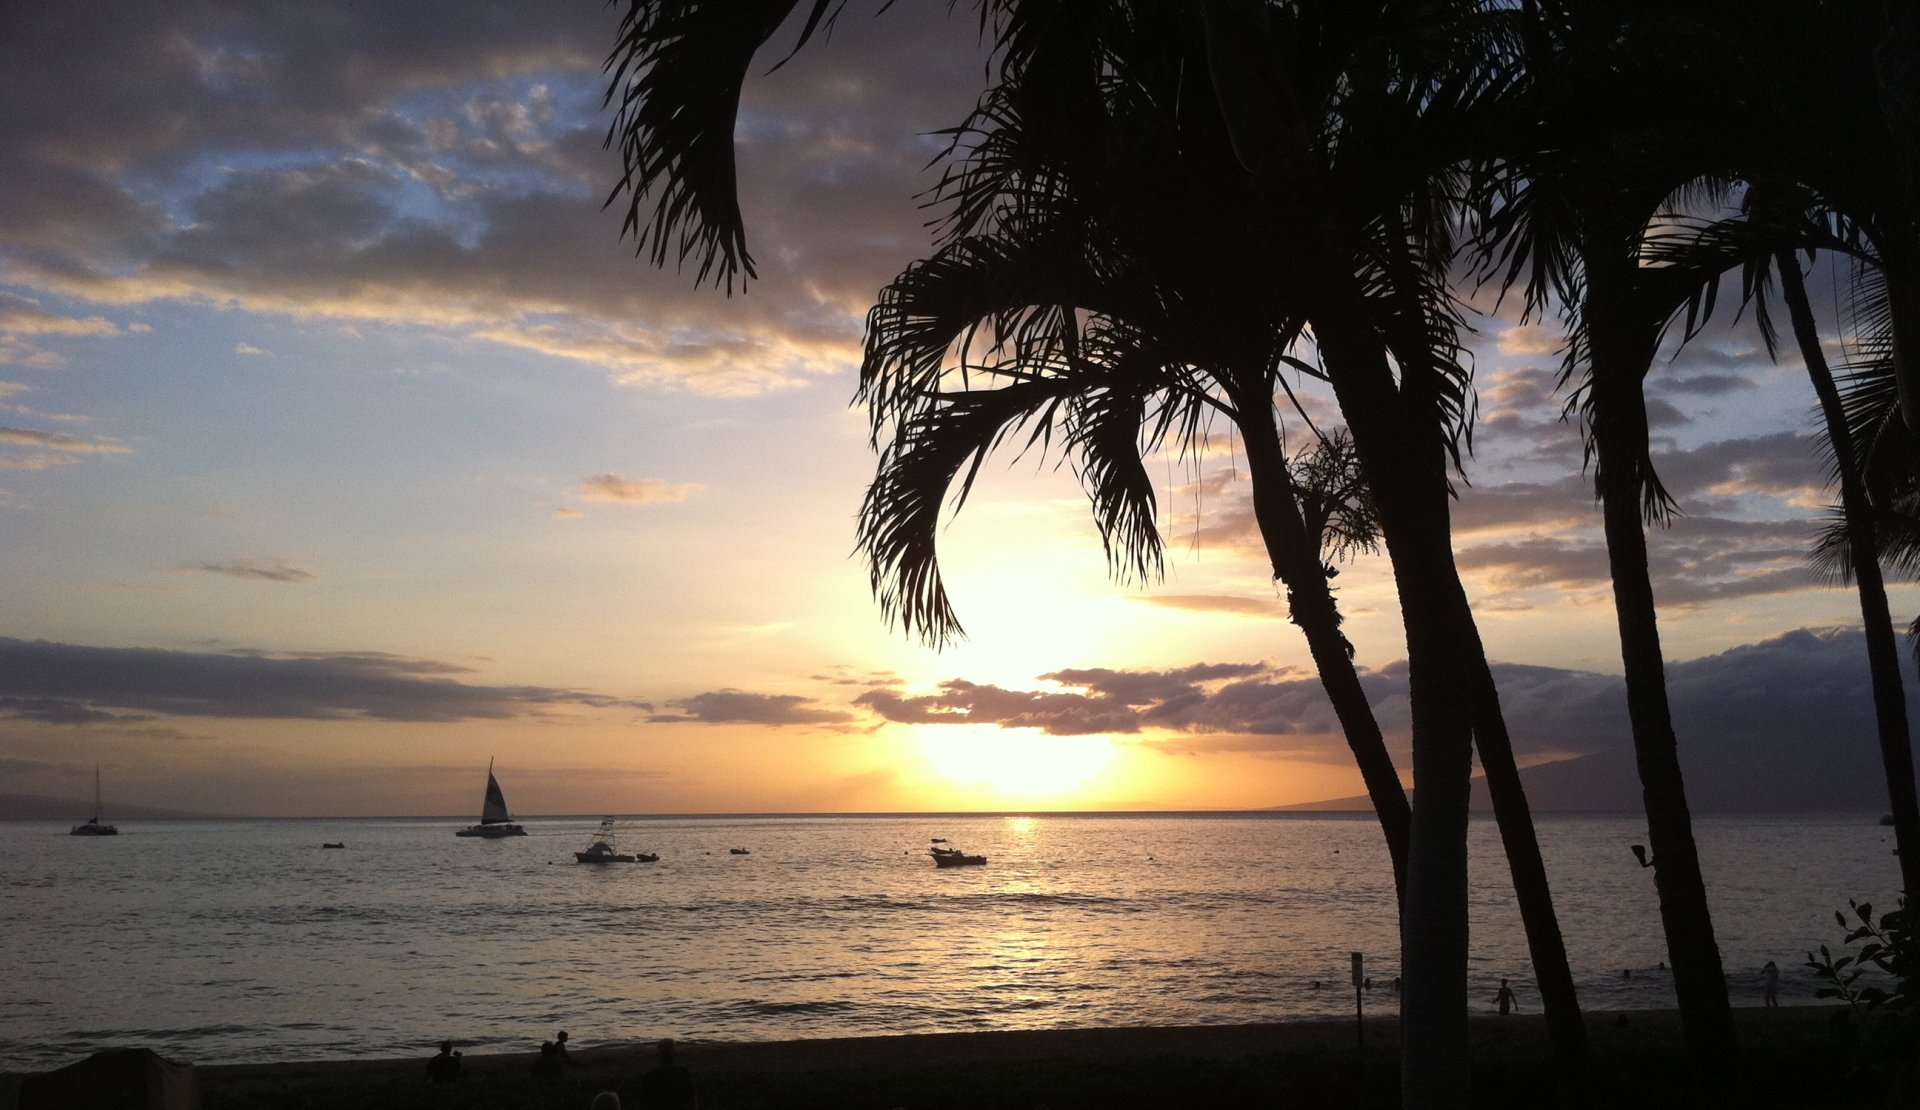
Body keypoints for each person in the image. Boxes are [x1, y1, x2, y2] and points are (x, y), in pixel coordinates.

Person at [637, 1038, 697, 1109]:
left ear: (658, 1055)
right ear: (675, 1054)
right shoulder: (684, 1074)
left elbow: (643, 1103)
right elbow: (692, 1101)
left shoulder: (650, 1076)